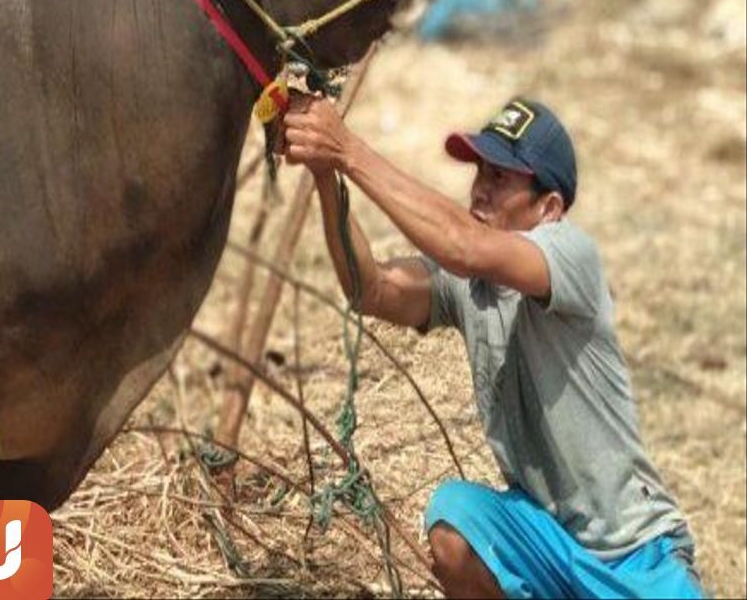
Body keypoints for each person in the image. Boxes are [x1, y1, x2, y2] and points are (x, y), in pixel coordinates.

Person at [281, 95, 702, 600]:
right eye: (480, 171)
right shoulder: (469, 284)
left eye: (500, 178)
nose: (479, 189)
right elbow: (369, 289)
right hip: (545, 544)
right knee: (457, 521)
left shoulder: (570, 255)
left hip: (635, 559)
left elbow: (464, 246)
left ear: (549, 209)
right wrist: (328, 176)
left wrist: (348, 149)